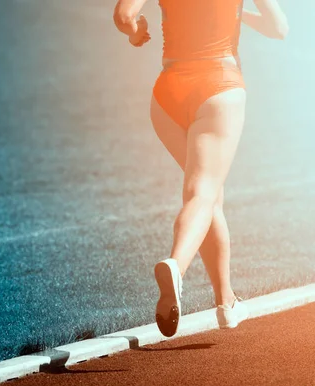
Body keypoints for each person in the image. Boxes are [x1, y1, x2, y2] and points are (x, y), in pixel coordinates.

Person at [113, 0, 288, 337]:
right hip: (218, 88)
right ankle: (176, 266)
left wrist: (136, 34)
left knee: (208, 197)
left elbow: (124, 16)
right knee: (202, 194)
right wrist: (239, 15)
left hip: (168, 93)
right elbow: (278, 28)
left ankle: (226, 302)